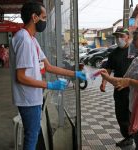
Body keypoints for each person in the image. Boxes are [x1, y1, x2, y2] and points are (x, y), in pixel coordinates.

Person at [9, 2, 86, 150]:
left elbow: (48, 66)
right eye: (44, 17)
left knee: (34, 134)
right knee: (31, 137)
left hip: (33, 97)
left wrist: (74, 73)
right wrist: (50, 85)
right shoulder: (24, 40)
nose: (46, 21)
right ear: (34, 17)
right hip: (28, 99)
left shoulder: (32, 39)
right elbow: (21, 77)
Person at [100, 27, 134, 148]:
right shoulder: (114, 53)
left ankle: (137, 138)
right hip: (119, 89)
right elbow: (108, 69)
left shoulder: (135, 51)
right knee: (121, 115)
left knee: (134, 115)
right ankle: (128, 137)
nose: (119, 39)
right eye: (116, 37)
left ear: (128, 37)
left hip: (134, 89)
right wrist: (103, 82)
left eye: (121, 36)